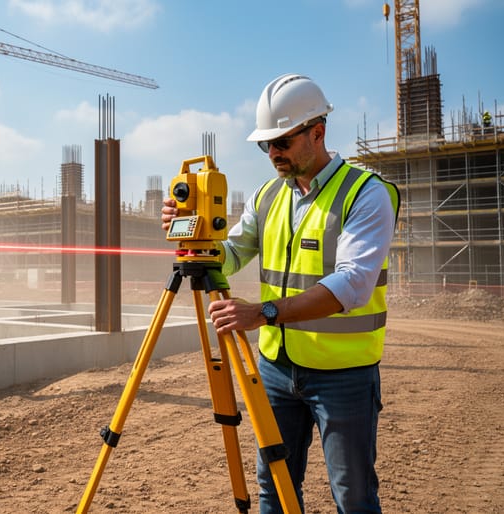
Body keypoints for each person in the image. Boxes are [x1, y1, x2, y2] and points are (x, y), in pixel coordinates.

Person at [162, 73, 399, 513]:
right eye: (265, 145)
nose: (272, 154)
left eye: (282, 143)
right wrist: (196, 237)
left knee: (353, 496)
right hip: (275, 370)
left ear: (317, 132)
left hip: (343, 374)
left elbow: (352, 285)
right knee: (274, 487)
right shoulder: (268, 195)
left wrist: (262, 313)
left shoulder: (365, 195)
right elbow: (232, 254)